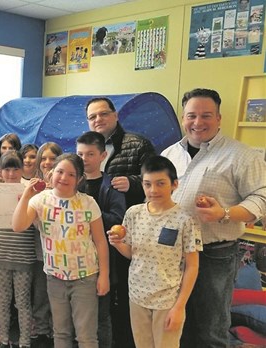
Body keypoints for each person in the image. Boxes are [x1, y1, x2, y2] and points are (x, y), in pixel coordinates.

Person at [160, 88, 266, 347]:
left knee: (211, 327)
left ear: (219, 118)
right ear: (183, 118)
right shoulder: (169, 154)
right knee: (174, 322)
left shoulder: (241, 155)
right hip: (171, 252)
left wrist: (224, 213)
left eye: (206, 115)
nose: (197, 123)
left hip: (214, 253)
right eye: (191, 115)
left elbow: (261, 198)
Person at [12, 153, 110, 348]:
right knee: (61, 332)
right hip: (55, 277)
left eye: (71, 175)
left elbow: (100, 241)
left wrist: (104, 276)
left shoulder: (88, 202)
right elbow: (18, 225)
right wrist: (26, 195)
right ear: (50, 173)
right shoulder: (40, 200)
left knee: (86, 335)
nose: (64, 178)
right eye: (60, 171)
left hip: (85, 276)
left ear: (80, 179)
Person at [108, 156, 201, 348]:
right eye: (148, 184)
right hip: (137, 296)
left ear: (174, 184)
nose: (153, 190)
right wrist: (117, 244)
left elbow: (192, 266)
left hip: (167, 300)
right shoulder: (133, 213)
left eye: (161, 184)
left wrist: (179, 307)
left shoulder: (185, 220)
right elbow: (133, 254)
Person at [86, 96, 156, 347]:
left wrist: (133, 183)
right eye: (92, 116)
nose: (98, 120)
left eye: (103, 114)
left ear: (115, 115)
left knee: (124, 289)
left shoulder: (137, 144)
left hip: (127, 231)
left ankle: (124, 340)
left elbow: (155, 178)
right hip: (93, 234)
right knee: (99, 292)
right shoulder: (86, 146)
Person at [0, 151, 37, 348]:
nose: (11, 174)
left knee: (22, 301)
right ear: (0, 171)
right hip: (0, 254)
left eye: (15, 169)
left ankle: (24, 342)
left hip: (24, 255)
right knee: (2, 300)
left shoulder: (30, 190)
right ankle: (3, 340)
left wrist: (30, 199)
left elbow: (37, 223)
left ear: (22, 169)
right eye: (7, 169)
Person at [76, 131, 126, 348]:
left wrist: (89, 212)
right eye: (80, 154)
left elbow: (118, 219)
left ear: (102, 155)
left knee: (101, 315)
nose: (84, 159)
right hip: (74, 258)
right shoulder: (72, 182)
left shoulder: (111, 185)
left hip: (102, 261)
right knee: (75, 314)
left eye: (90, 154)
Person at [30, 141, 62, 347]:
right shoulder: (33, 186)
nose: (47, 162)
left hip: (61, 250)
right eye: (43, 158)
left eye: (52, 158)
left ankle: (56, 328)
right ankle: (41, 327)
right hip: (39, 248)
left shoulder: (66, 184)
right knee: (40, 290)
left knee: (58, 294)